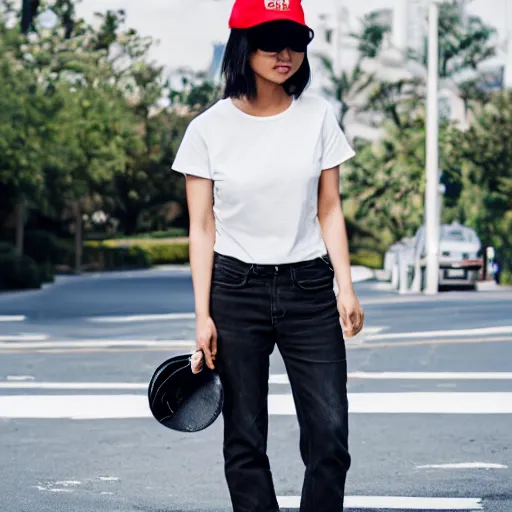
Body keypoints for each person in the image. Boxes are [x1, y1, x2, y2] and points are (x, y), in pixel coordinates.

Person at [171, 1, 365, 510]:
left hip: (308, 291)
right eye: (270, 39)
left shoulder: (319, 116)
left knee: (329, 434)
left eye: (296, 40)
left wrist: (345, 286)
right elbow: (202, 227)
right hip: (236, 292)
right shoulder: (207, 129)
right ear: (242, 44)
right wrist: (202, 317)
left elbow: (329, 210)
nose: (285, 53)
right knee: (244, 436)